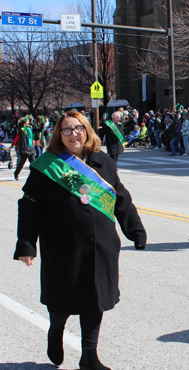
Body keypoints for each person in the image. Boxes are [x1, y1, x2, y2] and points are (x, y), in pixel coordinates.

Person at [14, 111, 146, 369]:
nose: (74, 134)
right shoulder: (47, 166)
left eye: (79, 128)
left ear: (87, 131)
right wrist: (26, 245)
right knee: (63, 297)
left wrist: (135, 230)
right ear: (59, 135)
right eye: (67, 130)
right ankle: (56, 330)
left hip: (101, 245)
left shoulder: (103, 161)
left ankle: (89, 356)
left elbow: (120, 198)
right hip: (64, 246)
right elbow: (30, 209)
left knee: (95, 299)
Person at [14, 116, 36, 181]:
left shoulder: (29, 128)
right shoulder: (20, 129)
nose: (28, 123)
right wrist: (26, 117)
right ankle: (16, 173)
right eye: (27, 122)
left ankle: (34, 175)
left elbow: (39, 130)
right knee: (22, 163)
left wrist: (43, 124)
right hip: (24, 149)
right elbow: (20, 125)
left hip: (31, 148)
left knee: (33, 163)